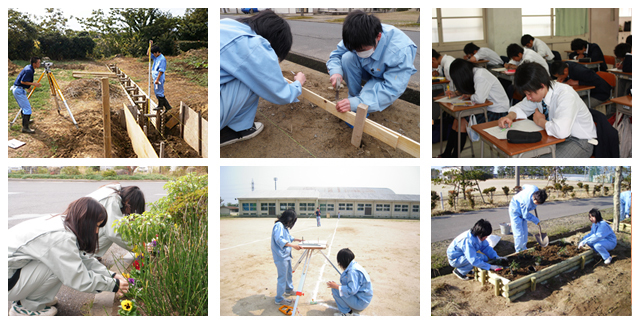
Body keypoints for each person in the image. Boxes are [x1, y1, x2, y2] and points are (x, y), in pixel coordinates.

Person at [8, 198, 130, 316]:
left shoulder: (64, 222)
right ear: (87, 222)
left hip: (12, 272)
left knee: (59, 261)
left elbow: (81, 257)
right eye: (96, 226)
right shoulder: (60, 238)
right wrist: (112, 285)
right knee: (58, 266)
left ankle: (37, 298)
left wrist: (111, 275)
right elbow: (78, 277)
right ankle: (26, 309)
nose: (97, 231)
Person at [220, 10, 306, 147]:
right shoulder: (255, 46)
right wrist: (298, 83)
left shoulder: (229, 24)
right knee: (252, 80)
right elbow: (281, 94)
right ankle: (236, 130)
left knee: (247, 75)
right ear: (273, 41)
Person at [498, 62, 597, 158]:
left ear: (541, 86)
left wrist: (540, 121)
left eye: (529, 94)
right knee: (525, 154)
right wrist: (509, 117)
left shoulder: (565, 95)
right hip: (555, 138)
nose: (528, 98)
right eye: (526, 94)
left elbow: (561, 131)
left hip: (579, 141)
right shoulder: (539, 93)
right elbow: (521, 107)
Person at [327, 10, 417, 113]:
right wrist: (336, 72)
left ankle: (360, 103)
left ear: (378, 37)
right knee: (347, 58)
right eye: (355, 49)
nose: (358, 53)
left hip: (383, 77)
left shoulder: (400, 51)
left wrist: (360, 103)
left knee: (368, 100)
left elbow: (392, 89)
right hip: (368, 68)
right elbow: (336, 56)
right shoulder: (355, 35)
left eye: (362, 50)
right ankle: (354, 98)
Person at [439, 59, 509, 158]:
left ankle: (454, 157)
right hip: (489, 108)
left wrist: (469, 96)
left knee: (461, 121)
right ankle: (446, 154)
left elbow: (479, 99)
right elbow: (473, 90)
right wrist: (456, 93)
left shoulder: (480, 75)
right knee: (457, 120)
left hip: (498, 112)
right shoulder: (474, 72)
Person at [86, 183, 146, 259]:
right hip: (81, 235)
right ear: (128, 201)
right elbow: (114, 233)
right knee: (112, 229)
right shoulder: (112, 200)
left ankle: (91, 253)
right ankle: (89, 255)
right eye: (132, 208)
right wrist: (137, 248)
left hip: (82, 228)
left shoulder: (113, 192)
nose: (129, 213)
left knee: (110, 227)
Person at [326, 248, 372, 316]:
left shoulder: (353, 272)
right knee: (337, 289)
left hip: (361, 302)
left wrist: (336, 287)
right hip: (363, 298)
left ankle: (346, 313)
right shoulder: (354, 265)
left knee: (335, 289)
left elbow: (351, 290)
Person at [271, 208, 303, 305]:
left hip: (286, 255)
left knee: (289, 274)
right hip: (281, 256)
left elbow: (288, 237)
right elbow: (279, 239)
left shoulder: (283, 227)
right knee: (282, 277)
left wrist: (297, 240)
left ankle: (289, 290)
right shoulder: (278, 226)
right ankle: (279, 299)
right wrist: (293, 245)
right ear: (289, 219)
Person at [507, 185, 548, 252]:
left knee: (524, 231)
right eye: (537, 203)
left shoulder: (534, 188)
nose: (537, 204)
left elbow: (525, 186)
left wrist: (522, 188)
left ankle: (524, 248)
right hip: (515, 210)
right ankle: (519, 251)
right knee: (519, 233)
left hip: (524, 210)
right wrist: (536, 220)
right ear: (534, 197)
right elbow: (525, 215)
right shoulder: (527, 202)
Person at [10, 57, 41, 134]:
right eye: (38, 63)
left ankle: (26, 121)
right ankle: (25, 128)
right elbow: (23, 81)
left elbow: (25, 79)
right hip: (18, 90)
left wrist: (29, 86)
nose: (39, 64)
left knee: (24, 107)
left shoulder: (29, 67)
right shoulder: (29, 70)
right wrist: (34, 84)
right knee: (27, 108)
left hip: (19, 89)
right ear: (34, 64)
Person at [147, 41, 172, 112]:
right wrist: (150, 46)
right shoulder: (156, 57)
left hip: (159, 78)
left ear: (157, 52)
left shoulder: (162, 59)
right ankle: (167, 107)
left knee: (159, 92)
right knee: (157, 93)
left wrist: (157, 80)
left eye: (154, 53)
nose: (153, 54)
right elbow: (148, 54)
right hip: (155, 78)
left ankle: (161, 106)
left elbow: (161, 71)